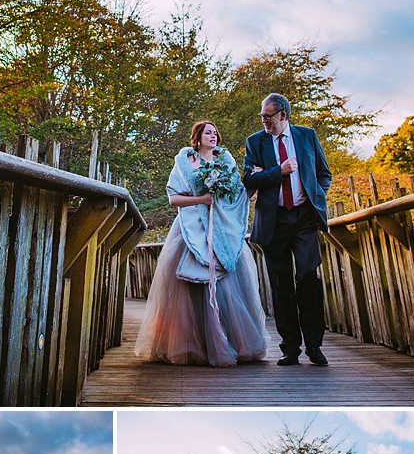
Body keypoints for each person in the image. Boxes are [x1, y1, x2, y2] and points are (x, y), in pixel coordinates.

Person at [136, 120, 267, 366]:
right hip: (191, 229)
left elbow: (236, 195)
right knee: (189, 289)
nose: (213, 136)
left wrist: (254, 182)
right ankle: (193, 345)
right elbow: (173, 199)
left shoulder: (225, 162)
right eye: (208, 132)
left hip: (221, 231)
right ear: (197, 137)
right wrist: (202, 199)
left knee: (228, 286)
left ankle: (232, 342)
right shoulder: (185, 163)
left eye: (215, 133)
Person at [242, 93, 333, 366]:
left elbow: (323, 173)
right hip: (274, 221)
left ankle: (314, 346)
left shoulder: (306, 136)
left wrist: (316, 195)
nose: (264, 121)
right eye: (262, 116)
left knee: (307, 277)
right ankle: (290, 348)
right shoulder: (255, 142)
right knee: (281, 285)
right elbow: (248, 179)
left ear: (283, 115)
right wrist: (277, 172)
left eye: (268, 117)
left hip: (304, 217)